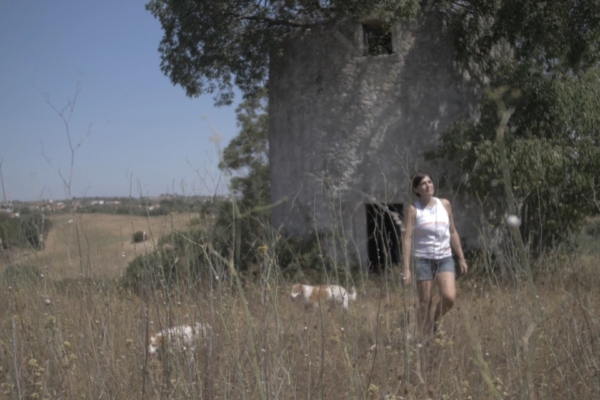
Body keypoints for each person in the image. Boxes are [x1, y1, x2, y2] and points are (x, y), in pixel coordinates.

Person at [402, 171, 468, 335]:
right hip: (422, 260)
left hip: (444, 258)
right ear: (416, 189)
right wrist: (407, 269)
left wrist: (461, 258)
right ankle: (426, 339)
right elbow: (407, 239)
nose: (428, 185)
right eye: (423, 183)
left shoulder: (444, 204)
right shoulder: (413, 210)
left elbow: (452, 232)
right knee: (425, 302)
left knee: (449, 297)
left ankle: (436, 320)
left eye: (430, 182)